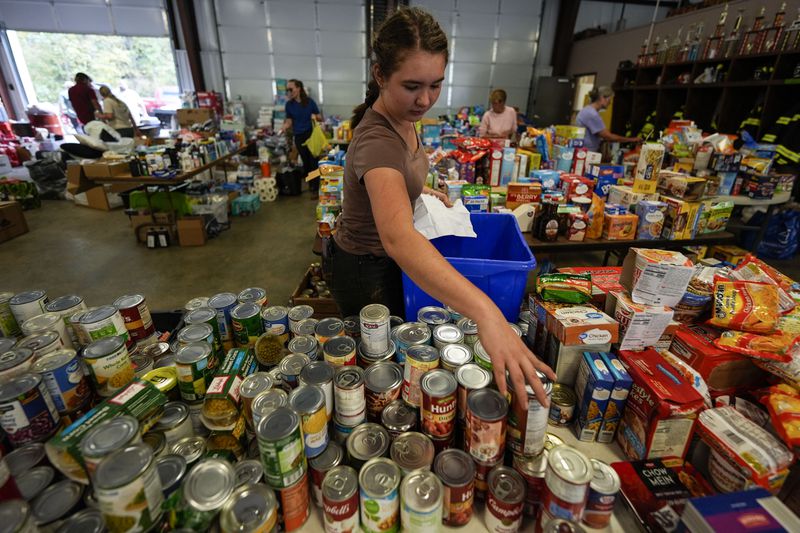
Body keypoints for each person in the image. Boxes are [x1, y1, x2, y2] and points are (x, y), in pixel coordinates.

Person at [328, 7, 555, 408]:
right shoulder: (377, 141)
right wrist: (486, 313)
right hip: (367, 271)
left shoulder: (403, 116)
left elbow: (399, 173)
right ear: (380, 75)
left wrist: (420, 192)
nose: (426, 99)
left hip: (382, 263)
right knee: (387, 378)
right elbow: (398, 238)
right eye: (412, 85)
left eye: (436, 85)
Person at [280, 79, 322, 194]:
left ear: (298, 88)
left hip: (311, 135)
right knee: (306, 163)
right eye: (287, 90)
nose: (289, 92)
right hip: (299, 137)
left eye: (290, 89)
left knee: (314, 161)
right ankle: (311, 185)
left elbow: (320, 117)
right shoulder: (289, 105)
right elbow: (289, 121)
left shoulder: (309, 102)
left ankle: (315, 186)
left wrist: (315, 117)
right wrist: (284, 126)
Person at [576, 86, 641, 151]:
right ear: (602, 98)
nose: (610, 103)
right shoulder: (592, 114)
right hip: (586, 152)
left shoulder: (587, 110)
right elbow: (608, 136)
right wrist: (631, 139)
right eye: (609, 100)